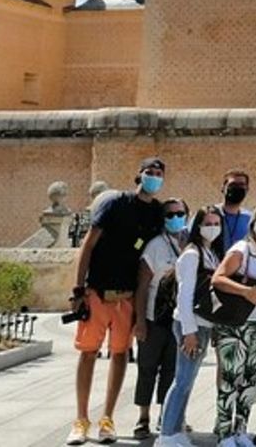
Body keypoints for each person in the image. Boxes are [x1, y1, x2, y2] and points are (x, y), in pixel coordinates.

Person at [67, 158, 166, 446]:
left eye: (159, 174)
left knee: (120, 354)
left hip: (128, 297)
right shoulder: (115, 204)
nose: (154, 178)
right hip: (97, 292)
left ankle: (107, 418)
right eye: (150, 173)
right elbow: (88, 243)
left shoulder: (157, 214)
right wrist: (78, 288)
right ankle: (81, 419)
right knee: (88, 353)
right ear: (139, 175)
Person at [211, 202, 256, 447]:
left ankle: (241, 429)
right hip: (236, 323)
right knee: (230, 379)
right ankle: (224, 433)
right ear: (253, 223)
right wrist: (245, 291)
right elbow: (218, 278)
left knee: (250, 380)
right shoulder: (241, 249)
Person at [156, 205, 224, 447]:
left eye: (217, 223)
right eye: (208, 223)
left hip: (203, 324)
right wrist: (189, 332)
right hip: (191, 325)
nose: (213, 228)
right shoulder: (192, 254)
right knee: (182, 380)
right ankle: (166, 434)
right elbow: (184, 296)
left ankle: (176, 429)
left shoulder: (210, 253)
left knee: (187, 379)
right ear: (198, 226)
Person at [132, 197, 189, 439]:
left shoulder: (191, 244)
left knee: (172, 371)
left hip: (179, 319)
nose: (175, 218)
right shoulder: (155, 245)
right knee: (147, 368)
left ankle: (167, 417)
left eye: (180, 213)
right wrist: (140, 321)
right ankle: (142, 418)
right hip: (154, 318)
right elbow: (143, 285)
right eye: (170, 214)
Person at [220, 170, 254, 254]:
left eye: (241, 185)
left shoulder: (250, 219)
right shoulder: (208, 216)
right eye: (233, 185)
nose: (237, 188)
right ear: (223, 188)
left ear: (247, 190)